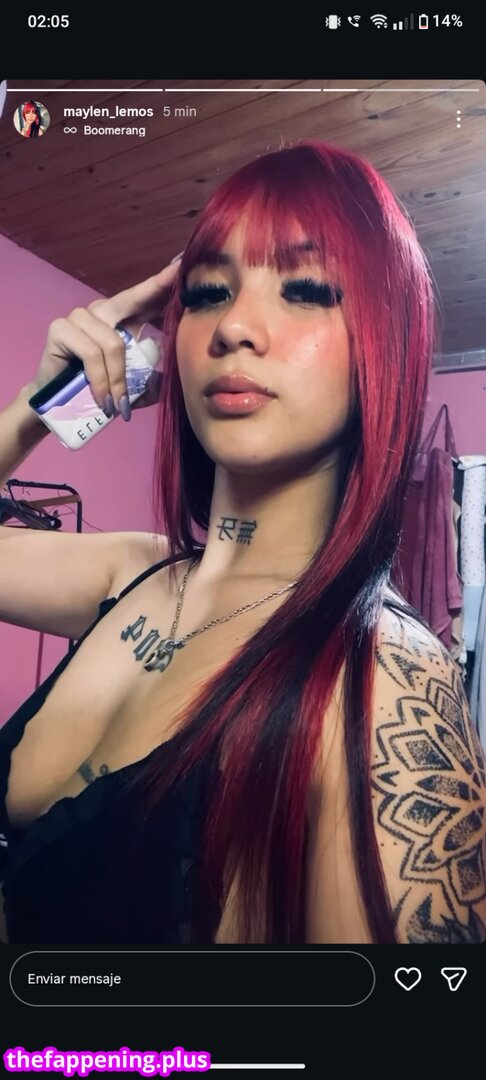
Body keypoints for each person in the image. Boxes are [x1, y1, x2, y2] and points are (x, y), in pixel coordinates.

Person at [0, 139, 485, 946]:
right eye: (208, 293)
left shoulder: (380, 675)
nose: (233, 326)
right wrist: (39, 405)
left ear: (384, 343)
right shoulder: (134, 572)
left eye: (305, 289)